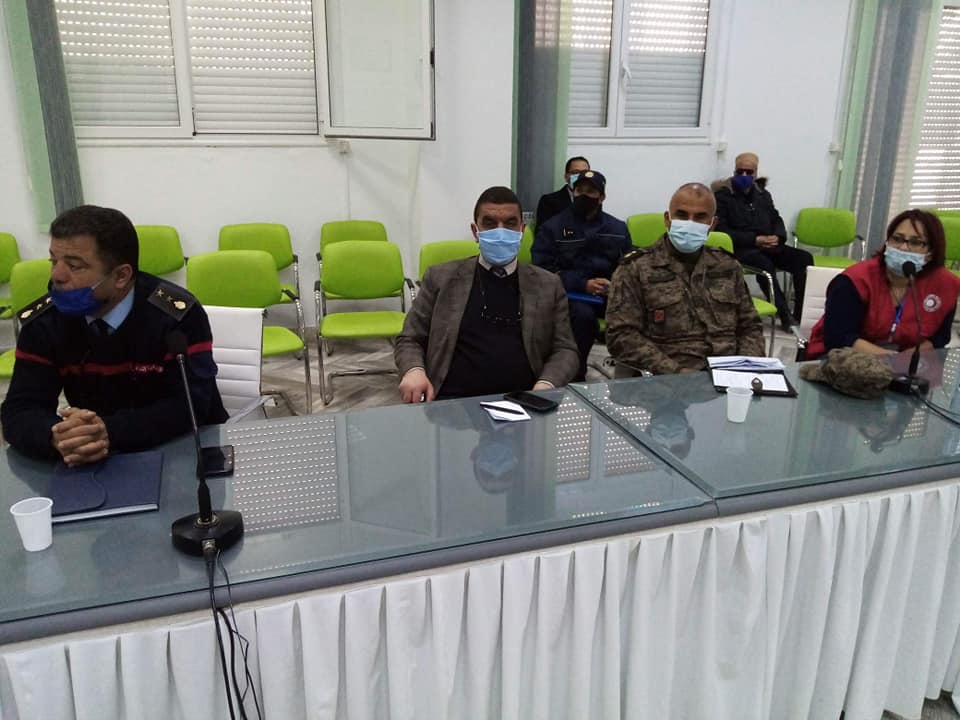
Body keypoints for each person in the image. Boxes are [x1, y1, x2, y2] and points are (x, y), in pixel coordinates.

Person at [1, 205, 227, 463]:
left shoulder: (176, 316)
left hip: (184, 452)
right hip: (94, 460)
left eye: (74, 266)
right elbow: (19, 409)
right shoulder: (44, 323)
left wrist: (108, 432)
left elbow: (191, 405)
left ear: (121, 276)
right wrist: (57, 436)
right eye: (54, 261)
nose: (57, 276)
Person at [395, 186, 579, 402]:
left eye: (510, 223)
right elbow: (410, 338)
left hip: (524, 401)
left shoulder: (548, 284)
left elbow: (565, 349)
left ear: (522, 230)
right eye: (490, 223)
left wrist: (546, 385)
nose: (500, 231)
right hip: (451, 400)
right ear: (476, 231)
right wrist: (414, 370)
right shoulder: (440, 278)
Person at [606, 182, 765, 375]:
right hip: (667, 378)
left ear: (712, 224)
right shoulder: (635, 268)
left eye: (700, 217)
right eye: (682, 215)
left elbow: (750, 326)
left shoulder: (727, 266)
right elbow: (621, 336)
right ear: (667, 219)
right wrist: (676, 371)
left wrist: (745, 367)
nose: (690, 223)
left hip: (729, 374)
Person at [805, 209, 960, 359]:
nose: (903, 247)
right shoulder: (854, 280)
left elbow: (939, 338)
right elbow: (839, 337)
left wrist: (906, 360)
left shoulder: (946, 285)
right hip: (847, 356)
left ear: (931, 253)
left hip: (909, 361)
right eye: (897, 239)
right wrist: (891, 361)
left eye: (915, 242)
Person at [532, 170, 632, 379]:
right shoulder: (553, 227)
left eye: (591, 191)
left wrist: (614, 284)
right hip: (570, 294)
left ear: (601, 197)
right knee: (583, 317)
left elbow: (629, 267)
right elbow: (542, 269)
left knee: (638, 309)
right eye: (580, 190)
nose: (584, 195)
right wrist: (583, 284)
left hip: (609, 294)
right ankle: (575, 375)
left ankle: (631, 373)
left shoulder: (617, 228)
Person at [713, 152, 814, 328]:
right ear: (734, 171)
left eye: (749, 172)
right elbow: (721, 231)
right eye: (740, 171)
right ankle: (785, 315)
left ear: (756, 173)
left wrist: (778, 237)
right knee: (764, 264)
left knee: (803, 259)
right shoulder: (723, 196)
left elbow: (775, 218)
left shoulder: (762, 194)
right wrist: (754, 239)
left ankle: (800, 313)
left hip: (770, 245)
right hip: (743, 248)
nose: (744, 175)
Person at [535, 156, 590, 229]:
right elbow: (543, 231)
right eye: (575, 172)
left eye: (584, 173)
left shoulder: (593, 199)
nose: (580, 176)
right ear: (566, 177)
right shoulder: (549, 201)